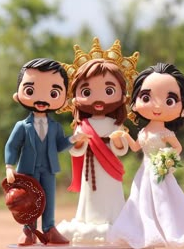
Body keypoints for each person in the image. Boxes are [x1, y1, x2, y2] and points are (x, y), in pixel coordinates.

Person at [107, 63, 184, 248]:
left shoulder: (166, 133)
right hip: (144, 171)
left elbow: (177, 148)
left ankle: (167, 231)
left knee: (163, 201)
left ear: (182, 109)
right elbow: (136, 147)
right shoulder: (144, 131)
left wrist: (166, 157)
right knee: (140, 201)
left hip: (159, 170)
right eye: (146, 97)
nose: (157, 106)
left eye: (169, 101)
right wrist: (123, 136)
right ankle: (145, 232)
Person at [4, 58, 83, 246]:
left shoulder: (55, 126)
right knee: (28, 201)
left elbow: (59, 145)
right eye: (30, 91)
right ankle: (29, 231)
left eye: (53, 92)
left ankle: (49, 229)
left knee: (48, 200)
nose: (41, 99)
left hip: (48, 169)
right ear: (19, 94)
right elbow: (12, 146)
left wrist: (74, 139)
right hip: (27, 170)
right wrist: (9, 166)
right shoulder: (22, 126)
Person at [57, 58, 129, 243]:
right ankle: (89, 222)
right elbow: (76, 151)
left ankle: (114, 221)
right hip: (90, 170)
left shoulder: (115, 123)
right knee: (90, 197)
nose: (98, 98)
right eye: (87, 91)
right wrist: (79, 142)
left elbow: (121, 151)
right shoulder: (83, 125)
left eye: (109, 91)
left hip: (109, 169)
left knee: (112, 195)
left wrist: (118, 141)